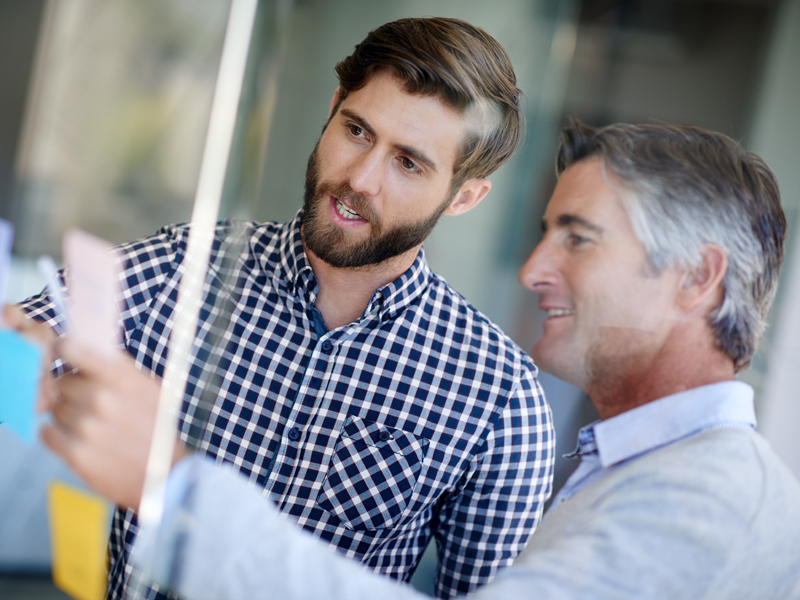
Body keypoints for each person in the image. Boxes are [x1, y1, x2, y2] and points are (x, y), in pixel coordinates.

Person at [19, 118, 800, 600]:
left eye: (579, 238)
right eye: (356, 131)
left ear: (698, 279)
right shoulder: (640, 470)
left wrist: (175, 485)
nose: (532, 270)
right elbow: (24, 336)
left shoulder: (711, 503)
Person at [16, 17, 555, 600]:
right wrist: (17, 357)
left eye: (408, 163)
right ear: (331, 111)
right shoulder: (186, 266)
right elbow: (15, 359)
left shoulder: (499, 394)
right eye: (356, 131)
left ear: (464, 197)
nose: (360, 180)